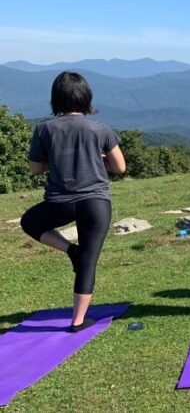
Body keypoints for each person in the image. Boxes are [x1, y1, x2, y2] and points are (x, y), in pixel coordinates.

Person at [21, 72, 126, 332]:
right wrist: (95, 157)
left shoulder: (44, 128)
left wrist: (56, 161)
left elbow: (35, 169)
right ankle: (78, 321)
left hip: (60, 202)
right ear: (86, 96)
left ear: (56, 98)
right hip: (97, 202)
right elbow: (119, 167)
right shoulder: (101, 128)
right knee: (89, 262)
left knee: (30, 222)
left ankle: (70, 250)